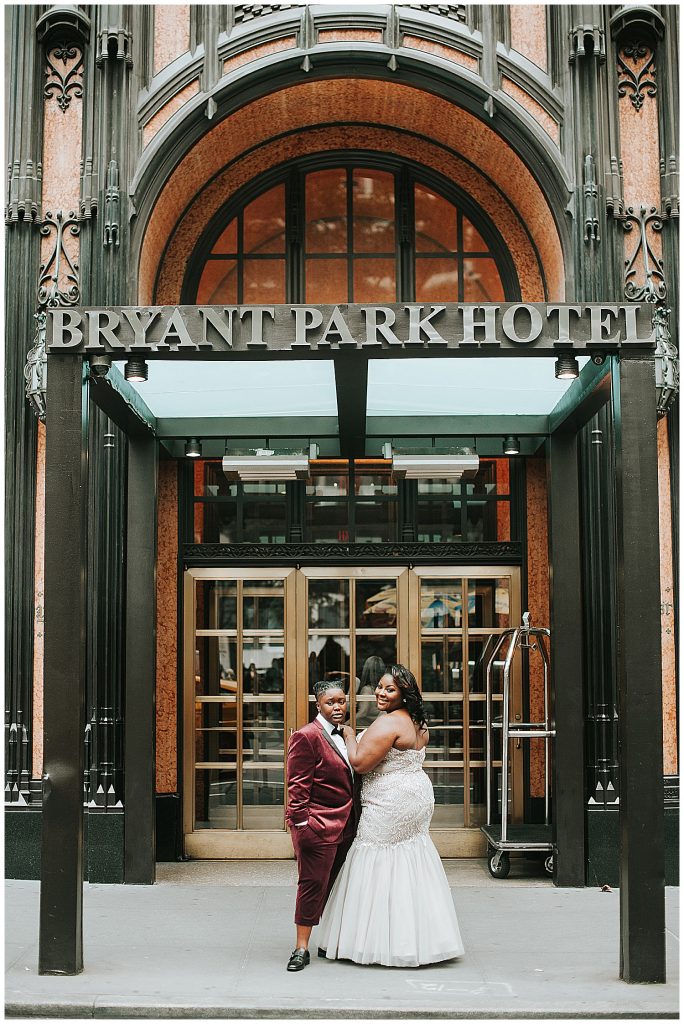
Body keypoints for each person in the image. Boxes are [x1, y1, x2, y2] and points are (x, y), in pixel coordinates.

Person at [317, 664, 465, 967]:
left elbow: (359, 763)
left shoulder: (388, 724)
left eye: (390, 689)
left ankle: (369, 941)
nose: (381, 693)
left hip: (390, 802)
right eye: (380, 687)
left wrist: (348, 734)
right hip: (418, 797)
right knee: (411, 859)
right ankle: (421, 938)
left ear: (403, 694)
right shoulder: (418, 722)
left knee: (373, 859)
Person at [285, 679, 359, 972]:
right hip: (317, 826)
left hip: (347, 827)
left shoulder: (348, 735)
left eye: (341, 701)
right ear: (318, 705)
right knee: (312, 886)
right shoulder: (307, 736)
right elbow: (297, 786)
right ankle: (301, 948)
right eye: (331, 702)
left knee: (338, 886)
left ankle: (332, 940)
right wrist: (303, 825)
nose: (338, 707)